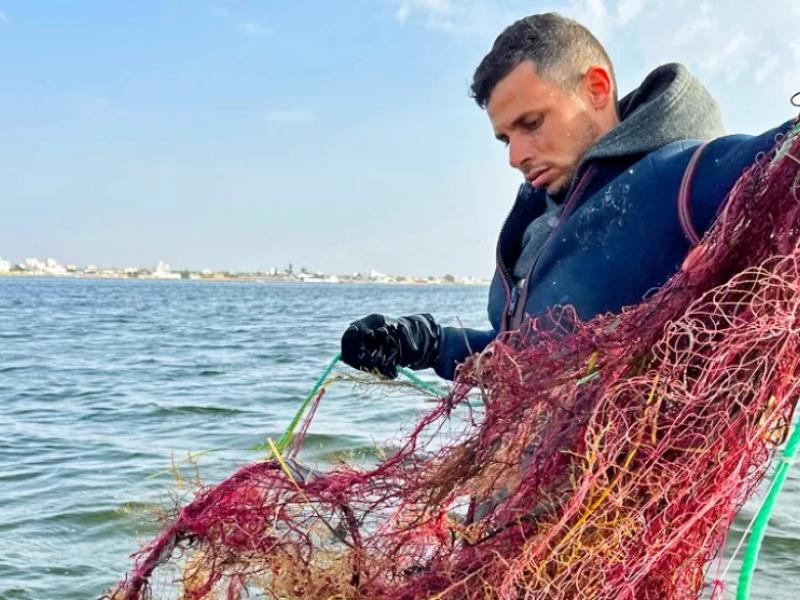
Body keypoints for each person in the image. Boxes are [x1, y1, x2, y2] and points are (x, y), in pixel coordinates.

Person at [340, 12, 792, 381]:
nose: (515, 156)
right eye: (504, 138)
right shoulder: (538, 220)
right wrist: (429, 343)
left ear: (596, 89)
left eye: (532, 123)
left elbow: (782, 158)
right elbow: (522, 359)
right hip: (513, 486)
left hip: (622, 488)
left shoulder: (681, 179)